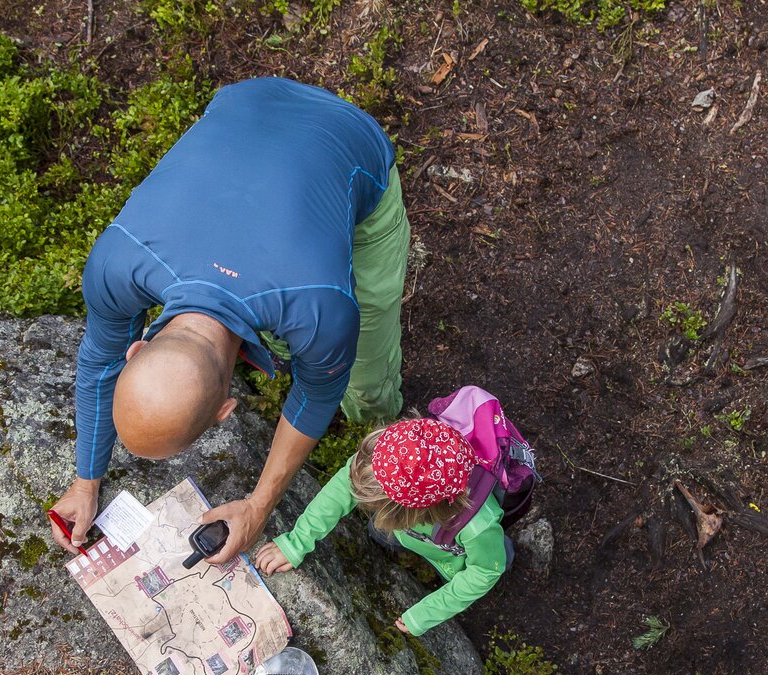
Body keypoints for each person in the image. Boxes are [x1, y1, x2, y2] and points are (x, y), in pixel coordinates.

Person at [49, 77, 411, 562]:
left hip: (352, 140)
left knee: (365, 352)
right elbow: (99, 361)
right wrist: (85, 482)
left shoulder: (320, 309)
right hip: (248, 98)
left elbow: (315, 396)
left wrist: (259, 507)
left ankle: (383, 430)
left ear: (226, 407)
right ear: (135, 350)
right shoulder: (116, 262)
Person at [255, 417, 513, 636]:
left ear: (410, 512)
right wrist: (296, 542)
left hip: (458, 557)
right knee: (380, 533)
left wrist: (426, 614)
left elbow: (483, 571)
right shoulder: (393, 457)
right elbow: (342, 487)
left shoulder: (479, 526)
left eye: (377, 504)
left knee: (502, 557)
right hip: (414, 535)